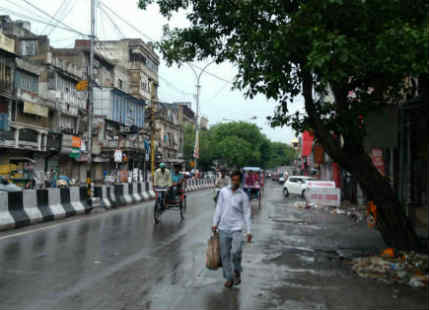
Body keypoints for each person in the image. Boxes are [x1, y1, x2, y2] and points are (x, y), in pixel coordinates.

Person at [212, 169, 252, 288]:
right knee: (224, 255)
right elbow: (219, 208)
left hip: (237, 228)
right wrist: (214, 223)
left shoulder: (243, 196)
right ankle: (229, 278)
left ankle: (237, 271)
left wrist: (249, 231)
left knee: (236, 252)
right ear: (230, 179)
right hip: (223, 228)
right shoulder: (223, 192)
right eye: (233, 180)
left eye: (237, 180)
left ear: (240, 181)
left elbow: (247, 213)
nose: (234, 182)